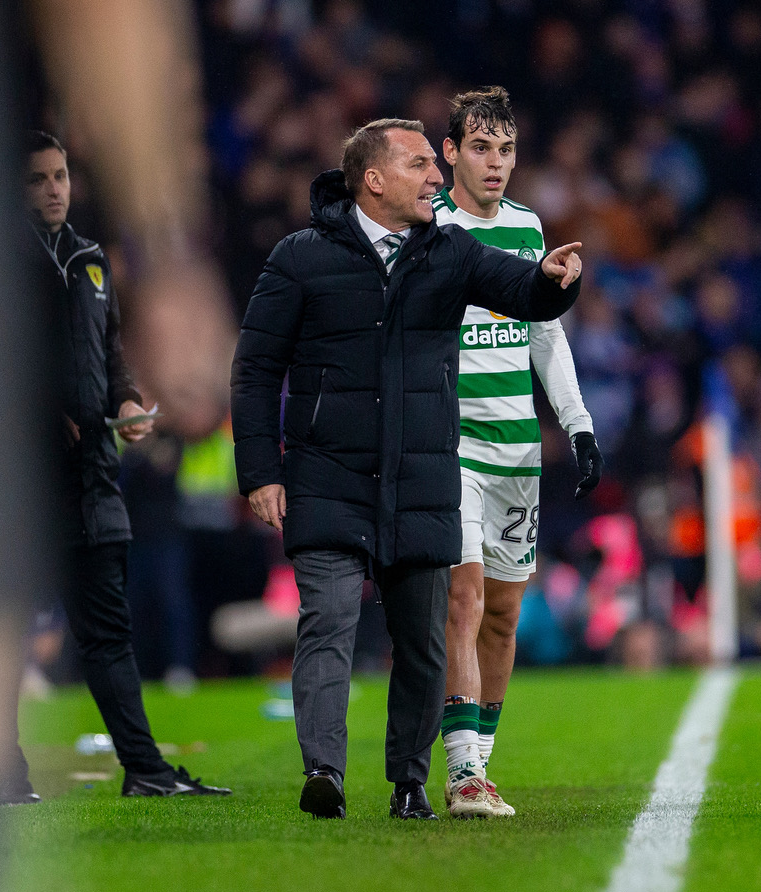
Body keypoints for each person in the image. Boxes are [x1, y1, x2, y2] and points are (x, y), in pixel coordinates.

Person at [231, 118, 583, 821]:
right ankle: (324, 769)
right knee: (327, 619)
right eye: (422, 165)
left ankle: (409, 782)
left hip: (422, 476)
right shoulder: (300, 258)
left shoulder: (449, 252)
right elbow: (255, 369)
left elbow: (520, 290)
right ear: (375, 179)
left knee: (422, 640)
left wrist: (552, 283)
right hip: (328, 473)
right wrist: (261, 472)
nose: (436, 177)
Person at [0, 131, 231, 803]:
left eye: (61, 176)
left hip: (94, 479)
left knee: (109, 631)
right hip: (21, 489)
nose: (53, 189)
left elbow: (113, 358)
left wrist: (127, 399)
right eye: (38, 178)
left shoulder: (92, 263)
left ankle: (145, 769)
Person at [429, 87, 602, 819]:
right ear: (450, 153)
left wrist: (580, 422)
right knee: (462, 599)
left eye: (505, 150)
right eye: (480, 148)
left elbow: (544, 334)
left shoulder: (530, 229)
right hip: (449, 444)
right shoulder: (427, 227)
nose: (495, 164)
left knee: (503, 614)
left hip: (517, 451)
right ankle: (462, 770)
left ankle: (480, 764)